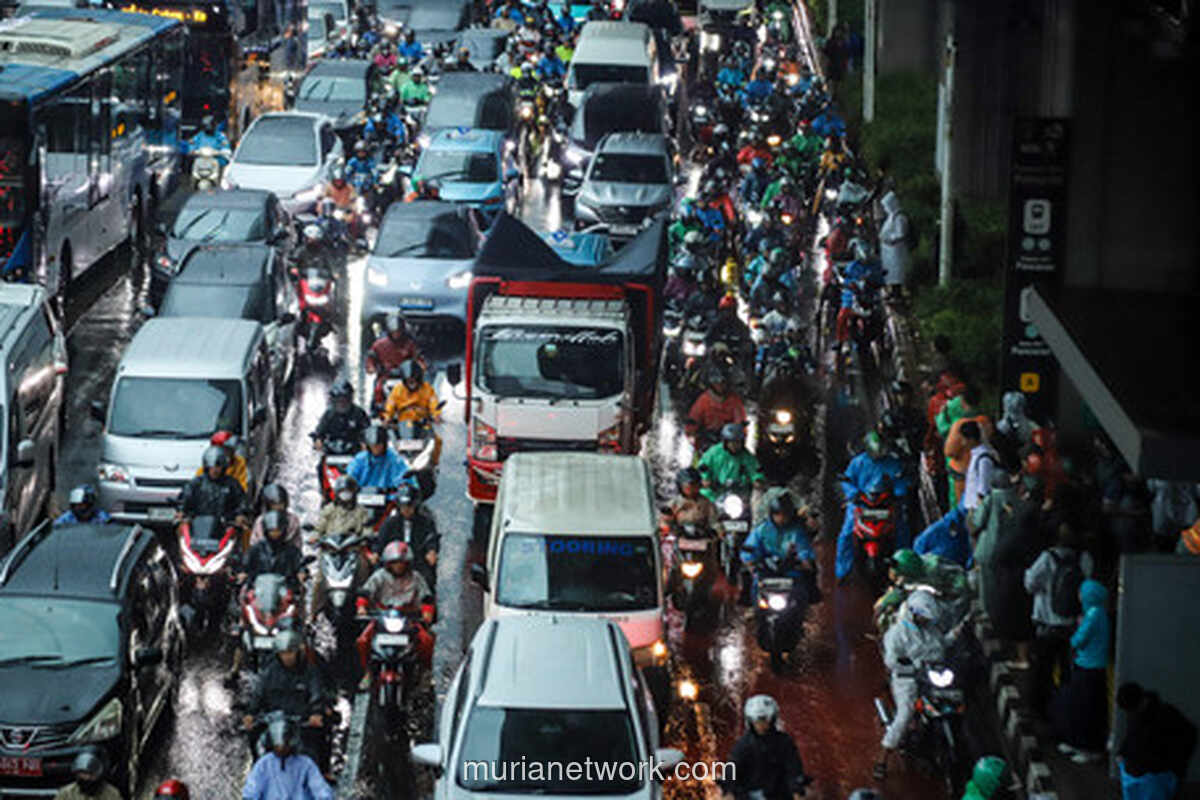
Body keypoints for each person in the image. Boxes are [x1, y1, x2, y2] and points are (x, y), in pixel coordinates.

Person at [874, 589, 949, 779]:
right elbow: (891, 661)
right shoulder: (898, 633)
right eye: (924, 618)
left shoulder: (932, 629)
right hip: (906, 678)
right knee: (905, 714)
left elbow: (942, 645)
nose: (927, 621)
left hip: (931, 676)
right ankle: (883, 758)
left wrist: (956, 634)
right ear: (914, 613)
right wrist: (908, 666)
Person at [1024, 523, 1094, 717]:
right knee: (1068, 673)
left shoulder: (1047, 558)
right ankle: (1066, 713)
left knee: (1041, 672)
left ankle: (1038, 712)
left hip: (1047, 626)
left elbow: (1030, 584)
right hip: (1072, 628)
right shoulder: (1084, 559)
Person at [355, 540, 435, 684]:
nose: (398, 566)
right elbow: (365, 593)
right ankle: (367, 672)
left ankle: (425, 673)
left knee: (426, 641)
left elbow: (426, 598)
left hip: (408, 617)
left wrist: (426, 613)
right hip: (382, 616)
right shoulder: (379, 576)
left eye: (401, 562)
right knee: (363, 641)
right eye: (394, 563)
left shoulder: (416, 578)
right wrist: (362, 608)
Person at [836, 432, 909, 582]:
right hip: (861, 503)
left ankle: (904, 568)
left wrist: (898, 493)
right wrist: (853, 494)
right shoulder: (858, 462)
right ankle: (842, 571)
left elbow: (900, 481)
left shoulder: (893, 463)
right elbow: (847, 481)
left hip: (885, 504)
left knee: (901, 530)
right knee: (847, 533)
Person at [1050, 579, 1110, 762]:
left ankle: (1089, 749)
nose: (1078, 596)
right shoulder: (1098, 613)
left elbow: (1078, 640)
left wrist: (1076, 629)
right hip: (1090, 667)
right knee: (1081, 708)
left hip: (1089, 669)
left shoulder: (1093, 615)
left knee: (1086, 710)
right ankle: (1077, 742)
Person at [1116, 682, 1198, 799]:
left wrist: (1176, 767)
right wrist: (1122, 752)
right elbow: (1130, 736)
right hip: (1142, 770)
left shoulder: (1166, 716)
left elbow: (1189, 738)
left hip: (1155, 773)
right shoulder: (1135, 712)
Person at [718, 695, 809, 800]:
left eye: (764, 720)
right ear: (750, 721)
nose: (760, 725)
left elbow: (793, 768)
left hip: (779, 794)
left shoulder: (784, 742)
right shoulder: (743, 745)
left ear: (772, 718)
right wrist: (729, 790)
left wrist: (797, 790)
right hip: (749, 795)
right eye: (756, 721)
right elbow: (731, 769)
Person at [741, 492, 818, 597]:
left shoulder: (797, 530)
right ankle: (752, 606)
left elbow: (803, 547)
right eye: (778, 514)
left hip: (790, 568)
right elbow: (751, 546)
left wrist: (805, 560)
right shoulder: (762, 530)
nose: (781, 518)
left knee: (804, 586)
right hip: (767, 568)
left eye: (785, 515)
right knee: (753, 584)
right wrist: (750, 561)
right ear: (772, 515)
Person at [242, 715, 334, 800]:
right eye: (277, 745)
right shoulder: (264, 763)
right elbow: (252, 789)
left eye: (284, 746)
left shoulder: (305, 764)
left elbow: (319, 787)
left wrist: (324, 797)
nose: (281, 749)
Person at [375, 484, 440, 590]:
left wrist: (431, 551)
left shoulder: (426, 521)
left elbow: (432, 538)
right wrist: (376, 553)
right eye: (403, 507)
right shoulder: (390, 522)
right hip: (394, 559)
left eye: (410, 507)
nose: (406, 510)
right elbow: (381, 540)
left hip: (417, 558)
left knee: (427, 580)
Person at [381, 359, 443, 466]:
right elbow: (390, 404)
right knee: (388, 441)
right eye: (409, 381)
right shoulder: (397, 390)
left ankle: (433, 464)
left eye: (414, 380)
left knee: (437, 440)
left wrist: (436, 415)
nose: (412, 383)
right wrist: (387, 417)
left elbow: (433, 402)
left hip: (422, 423)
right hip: (403, 425)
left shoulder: (427, 389)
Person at [178, 444, 249, 524]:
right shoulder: (196, 483)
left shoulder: (232, 484)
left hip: (225, 527)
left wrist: (240, 514)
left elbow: (242, 502)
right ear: (206, 467)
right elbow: (185, 498)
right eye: (211, 467)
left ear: (223, 466)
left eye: (218, 466)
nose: (214, 470)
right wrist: (181, 511)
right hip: (198, 527)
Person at [239, 510, 307, 589]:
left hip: (284, 589)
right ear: (266, 530)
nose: (275, 533)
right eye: (272, 531)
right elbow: (245, 564)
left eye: (278, 530)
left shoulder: (292, 550)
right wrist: (242, 572)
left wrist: (302, 572)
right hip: (258, 589)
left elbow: (300, 563)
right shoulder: (256, 549)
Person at [698, 423, 766, 501]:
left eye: (738, 442)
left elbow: (755, 470)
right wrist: (705, 478)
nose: (735, 445)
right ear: (725, 442)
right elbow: (703, 466)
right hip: (714, 491)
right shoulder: (714, 452)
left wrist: (757, 480)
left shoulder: (747, 456)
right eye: (732, 442)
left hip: (737, 494)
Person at [312, 379, 371, 455]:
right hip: (332, 449)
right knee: (320, 465)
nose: (342, 404)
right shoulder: (329, 414)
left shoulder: (359, 413)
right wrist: (318, 439)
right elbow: (320, 430)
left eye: (344, 400)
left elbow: (367, 430)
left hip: (353, 449)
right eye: (339, 401)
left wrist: (365, 443)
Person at [687, 369, 747, 444]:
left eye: (723, 383)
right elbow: (694, 419)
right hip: (707, 439)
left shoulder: (734, 401)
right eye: (717, 383)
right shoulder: (704, 400)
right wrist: (692, 435)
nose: (720, 386)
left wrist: (739, 437)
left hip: (728, 439)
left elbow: (740, 422)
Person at [347, 424, 414, 492]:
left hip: (388, 498)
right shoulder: (360, 459)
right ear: (368, 446)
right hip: (361, 497)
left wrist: (401, 486)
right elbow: (350, 477)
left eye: (379, 445)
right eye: (373, 445)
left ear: (384, 444)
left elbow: (403, 479)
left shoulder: (395, 459)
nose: (376, 448)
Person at [663, 467, 723, 533]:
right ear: (680, 487)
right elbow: (664, 523)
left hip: (702, 537)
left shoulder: (706, 503)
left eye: (695, 485)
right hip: (680, 538)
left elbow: (714, 522)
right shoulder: (674, 504)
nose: (693, 489)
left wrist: (719, 530)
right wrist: (667, 523)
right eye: (689, 486)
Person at [366, 311, 425, 376]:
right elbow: (370, 360)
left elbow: (419, 360)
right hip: (384, 377)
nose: (396, 334)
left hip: (405, 379)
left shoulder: (409, 344)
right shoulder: (379, 345)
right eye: (394, 332)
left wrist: (420, 367)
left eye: (398, 331)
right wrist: (371, 367)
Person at [53, 749, 121, 800]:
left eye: (90, 774)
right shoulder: (66, 794)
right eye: (82, 773)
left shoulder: (111, 794)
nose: (86, 777)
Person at [249, 483, 303, 548]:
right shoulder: (260, 521)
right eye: (274, 504)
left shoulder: (293, 520)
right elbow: (254, 543)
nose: (277, 507)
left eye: (280, 503)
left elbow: (297, 544)